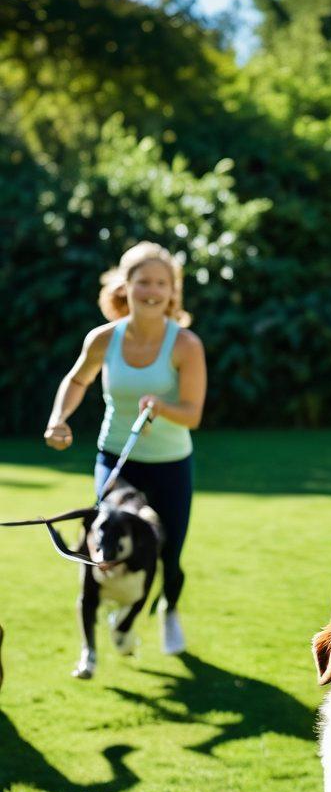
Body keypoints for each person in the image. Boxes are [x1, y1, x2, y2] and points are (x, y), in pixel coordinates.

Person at [44, 241, 207, 655]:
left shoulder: (185, 344)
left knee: (167, 554)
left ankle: (168, 609)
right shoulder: (103, 339)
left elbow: (192, 414)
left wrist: (162, 406)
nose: (152, 290)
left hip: (170, 465)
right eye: (142, 281)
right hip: (115, 459)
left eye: (161, 283)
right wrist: (58, 419)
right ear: (124, 286)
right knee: (100, 540)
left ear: (173, 291)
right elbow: (77, 380)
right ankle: (112, 618)